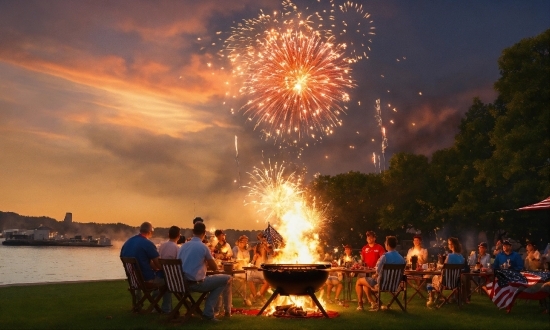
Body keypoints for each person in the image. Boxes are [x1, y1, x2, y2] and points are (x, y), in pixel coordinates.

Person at [177, 221, 232, 322]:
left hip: (182, 283)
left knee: (218, 282)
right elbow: (215, 267)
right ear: (204, 233)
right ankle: (212, 312)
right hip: (196, 283)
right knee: (227, 278)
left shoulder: (183, 246)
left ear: (193, 232)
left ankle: (214, 310)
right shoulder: (203, 247)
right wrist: (207, 263)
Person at [120, 222, 164, 310]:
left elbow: (142, 261)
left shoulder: (128, 242)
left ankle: (139, 304)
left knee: (159, 276)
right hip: (146, 280)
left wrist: (153, 267)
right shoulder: (147, 244)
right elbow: (159, 264)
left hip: (133, 280)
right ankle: (156, 305)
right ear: (150, 232)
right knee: (167, 280)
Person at [364, 236, 405, 311]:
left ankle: (362, 304)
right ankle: (374, 303)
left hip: (382, 285)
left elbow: (378, 271)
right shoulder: (401, 258)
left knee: (360, 281)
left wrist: (375, 276)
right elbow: (402, 273)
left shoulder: (384, 257)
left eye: (385, 243)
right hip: (395, 286)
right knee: (366, 284)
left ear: (388, 245)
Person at [355, 231, 385, 311]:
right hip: (366, 271)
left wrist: (376, 270)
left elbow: (383, 259)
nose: (369, 238)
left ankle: (361, 304)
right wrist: (359, 264)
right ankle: (372, 302)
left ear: (374, 238)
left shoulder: (379, 247)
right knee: (364, 281)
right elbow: (362, 260)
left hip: (376, 272)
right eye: (368, 237)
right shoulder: (364, 248)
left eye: (371, 237)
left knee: (360, 282)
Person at [429, 237, 465, 302]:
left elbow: (444, 267)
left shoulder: (450, 256)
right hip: (456, 282)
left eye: (449, 244)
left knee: (434, 278)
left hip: (446, 281)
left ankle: (434, 298)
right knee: (438, 278)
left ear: (452, 245)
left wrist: (439, 264)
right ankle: (452, 298)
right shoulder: (461, 257)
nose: (448, 245)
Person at [158, 226, 181, 314]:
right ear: (179, 236)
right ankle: (188, 305)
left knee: (167, 283)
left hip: (161, 275)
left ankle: (166, 308)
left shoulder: (162, 246)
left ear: (168, 235)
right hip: (172, 279)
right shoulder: (177, 248)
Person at [247, 232, 271, 304]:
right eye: (260, 238)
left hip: (263, 270)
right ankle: (256, 297)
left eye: (263, 238)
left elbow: (270, 252)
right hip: (256, 270)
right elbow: (253, 261)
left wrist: (265, 246)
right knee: (249, 279)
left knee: (267, 282)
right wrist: (254, 259)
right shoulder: (257, 247)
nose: (262, 240)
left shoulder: (268, 246)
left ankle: (258, 295)